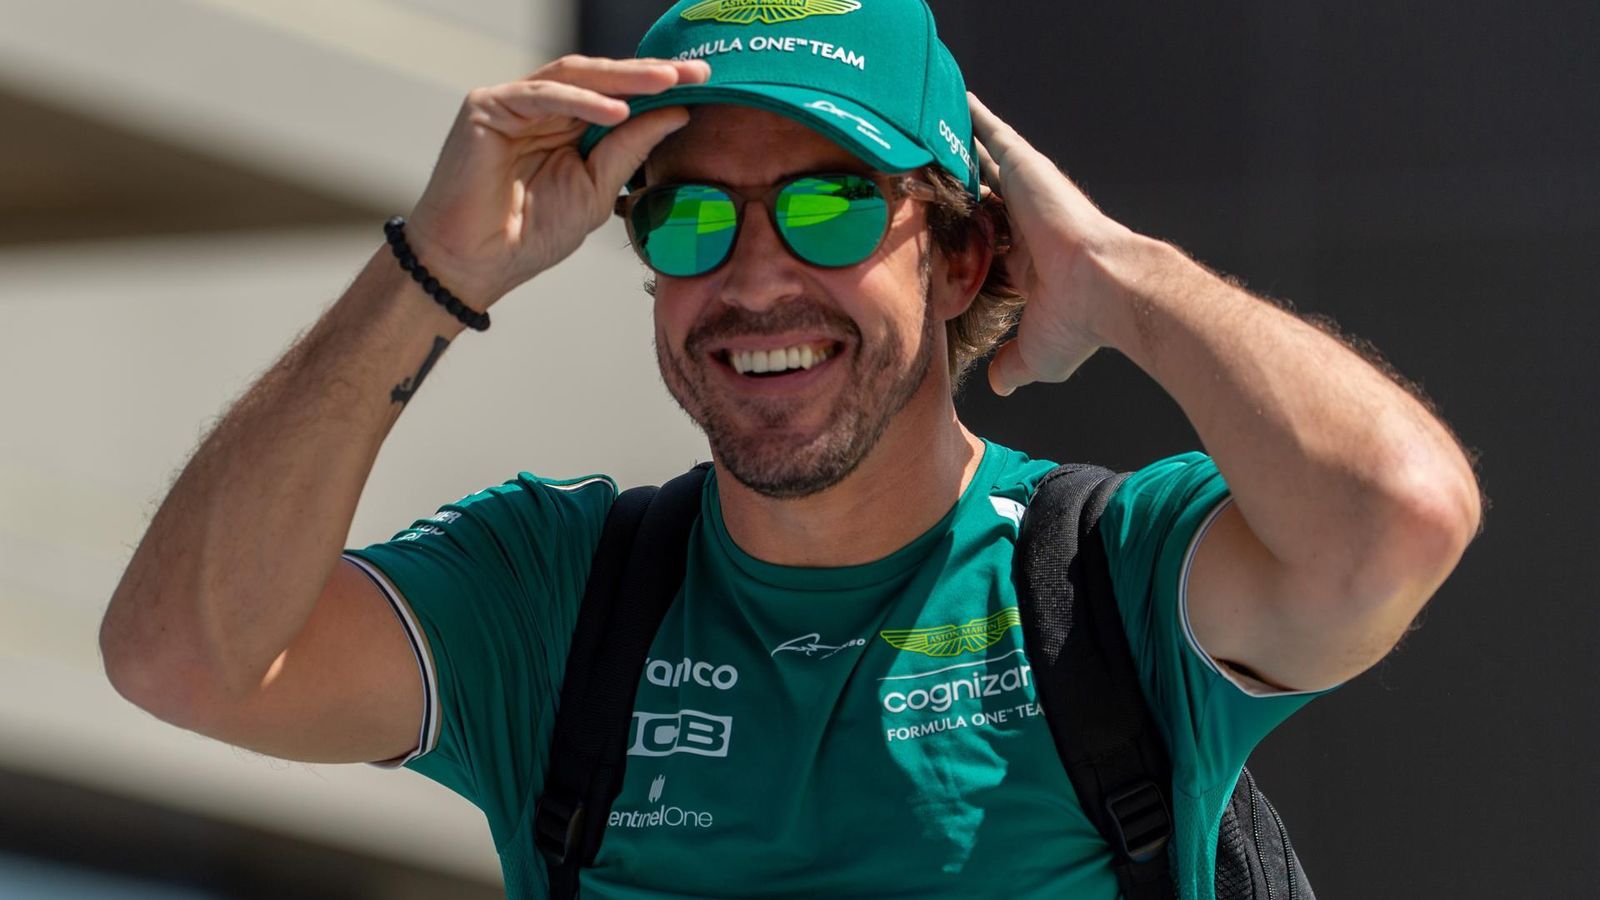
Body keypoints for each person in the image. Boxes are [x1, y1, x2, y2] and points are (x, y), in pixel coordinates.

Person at [99, 1, 1482, 897]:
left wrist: (1122, 275)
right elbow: (184, 660)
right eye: (691, 220)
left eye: (829, 208)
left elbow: (1396, 520)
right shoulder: (557, 594)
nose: (755, 279)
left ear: (958, 256)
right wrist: (433, 267)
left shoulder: (1106, 577)